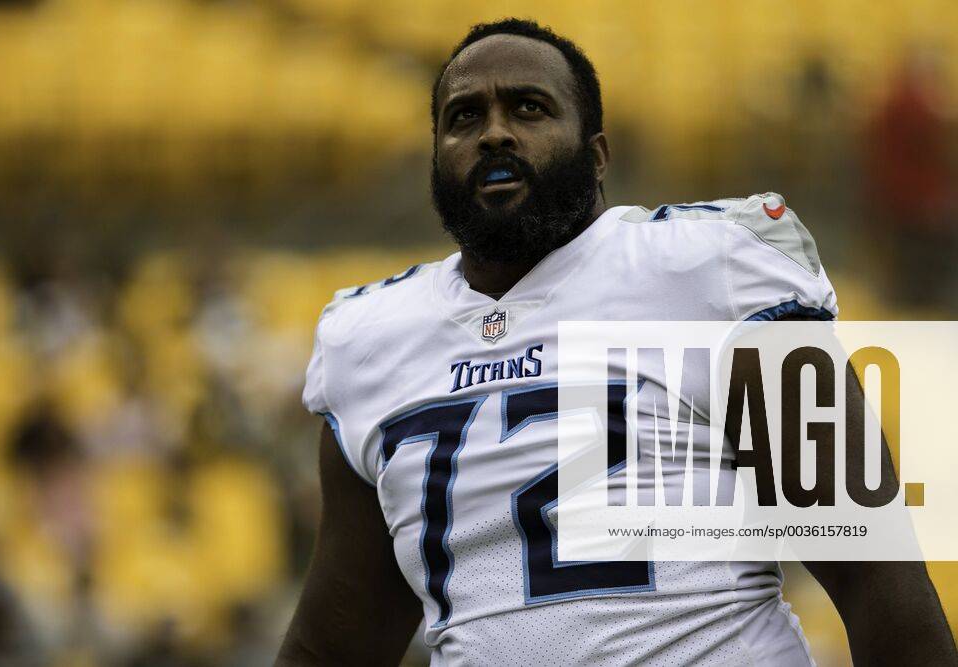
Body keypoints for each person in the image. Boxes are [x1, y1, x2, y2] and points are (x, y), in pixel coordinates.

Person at [276, 19, 956, 666]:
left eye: (529, 108)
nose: (493, 134)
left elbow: (876, 577)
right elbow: (335, 644)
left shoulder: (712, 271)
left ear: (596, 155)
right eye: (463, 117)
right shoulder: (372, 342)